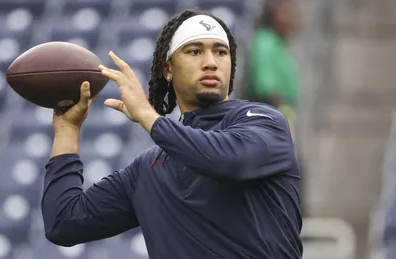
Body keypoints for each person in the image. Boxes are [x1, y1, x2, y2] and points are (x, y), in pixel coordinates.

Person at [42, 9, 303, 259]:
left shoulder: (265, 122)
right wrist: (67, 129)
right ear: (167, 70)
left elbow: (227, 159)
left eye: (220, 52)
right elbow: (64, 222)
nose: (210, 62)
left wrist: (146, 114)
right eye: (194, 51)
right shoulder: (147, 169)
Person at [248, 0, 299, 125]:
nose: (289, 19)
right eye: (284, 14)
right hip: (270, 115)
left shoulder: (279, 44)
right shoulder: (265, 42)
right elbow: (267, 88)